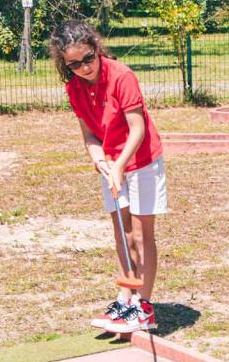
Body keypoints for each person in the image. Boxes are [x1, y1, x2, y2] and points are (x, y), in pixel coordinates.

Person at [51, 20, 167, 334]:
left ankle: (144, 306)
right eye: (74, 64)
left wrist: (120, 165)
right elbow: (89, 135)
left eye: (88, 58)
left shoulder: (122, 76)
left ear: (97, 49)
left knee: (142, 234)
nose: (84, 68)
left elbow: (138, 130)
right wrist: (99, 159)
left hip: (141, 160)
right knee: (122, 232)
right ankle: (125, 297)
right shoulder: (73, 87)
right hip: (112, 163)